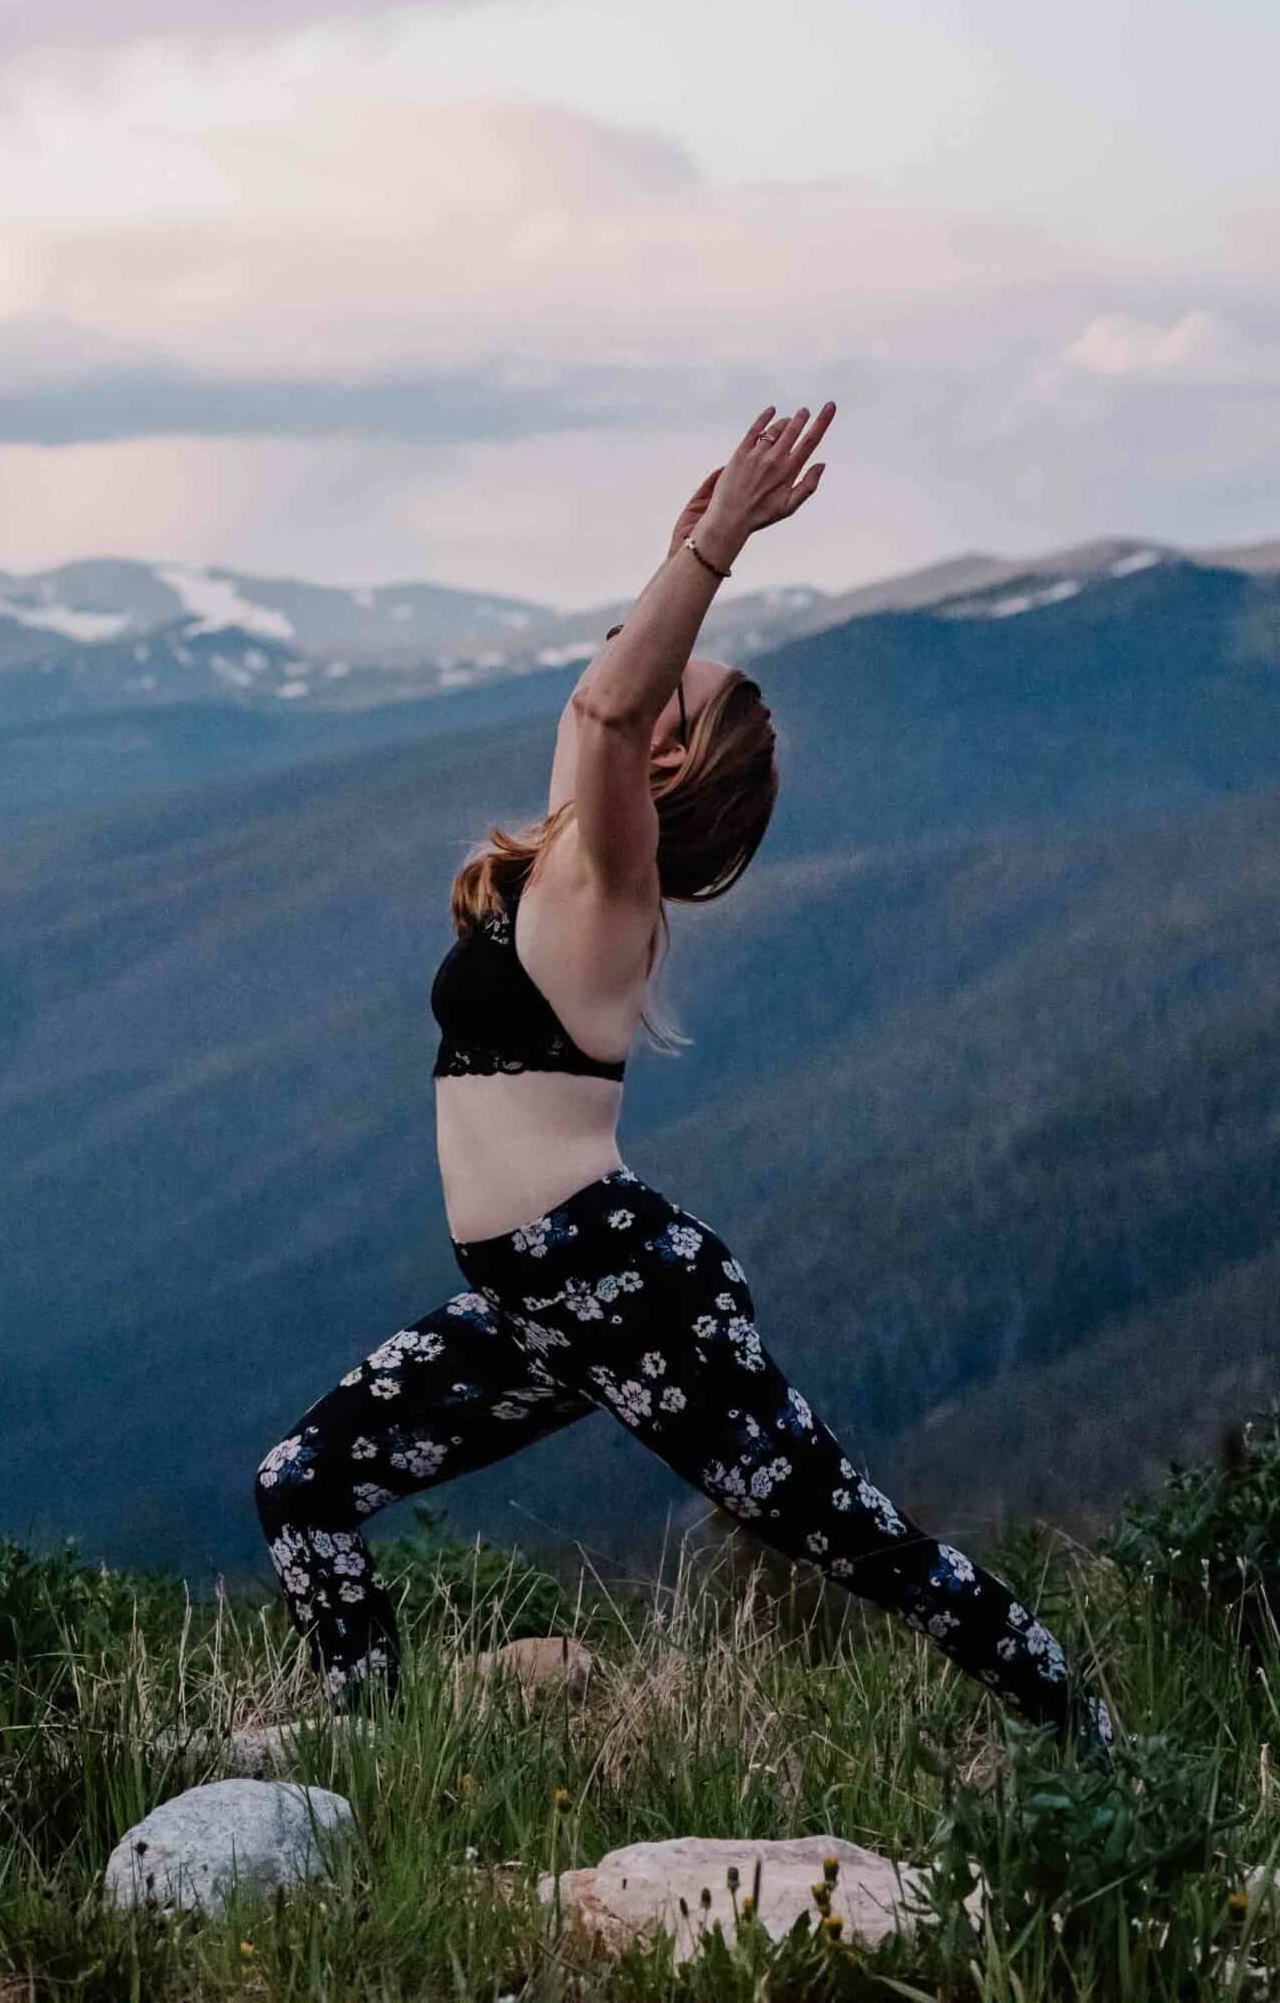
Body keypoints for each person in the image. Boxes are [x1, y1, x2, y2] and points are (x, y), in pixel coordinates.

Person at [255, 403, 1114, 1762]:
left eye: (671, 692)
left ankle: (1080, 1725)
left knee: (842, 1530)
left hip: (618, 1281)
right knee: (303, 1485)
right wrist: (680, 550)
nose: (633, 676)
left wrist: (716, 547)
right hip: (537, 1294)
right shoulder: (561, 862)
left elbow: (603, 704)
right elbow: (604, 690)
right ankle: (358, 1739)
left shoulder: (611, 885)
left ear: (664, 760)